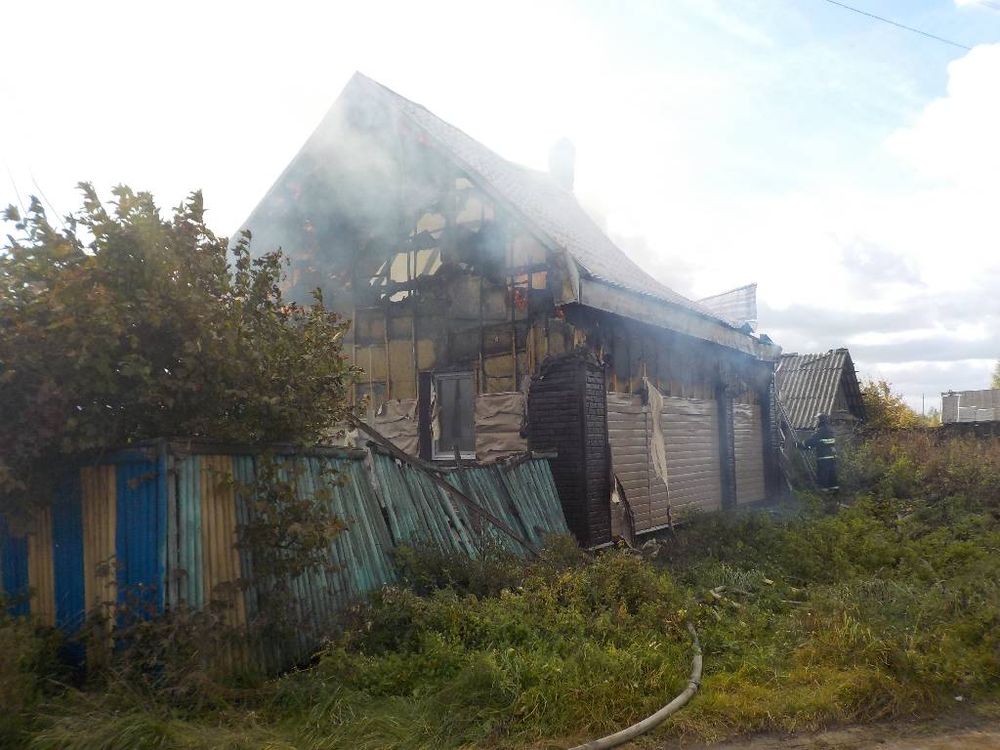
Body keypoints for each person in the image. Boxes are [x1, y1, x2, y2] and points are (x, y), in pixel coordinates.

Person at [801, 413, 838, 491]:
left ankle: (823, 492)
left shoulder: (821, 431)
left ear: (821, 420)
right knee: (832, 474)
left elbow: (813, 441)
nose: (816, 421)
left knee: (823, 474)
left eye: (817, 420)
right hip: (832, 456)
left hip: (823, 456)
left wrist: (802, 444)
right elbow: (827, 442)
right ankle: (834, 491)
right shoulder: (830, 429)